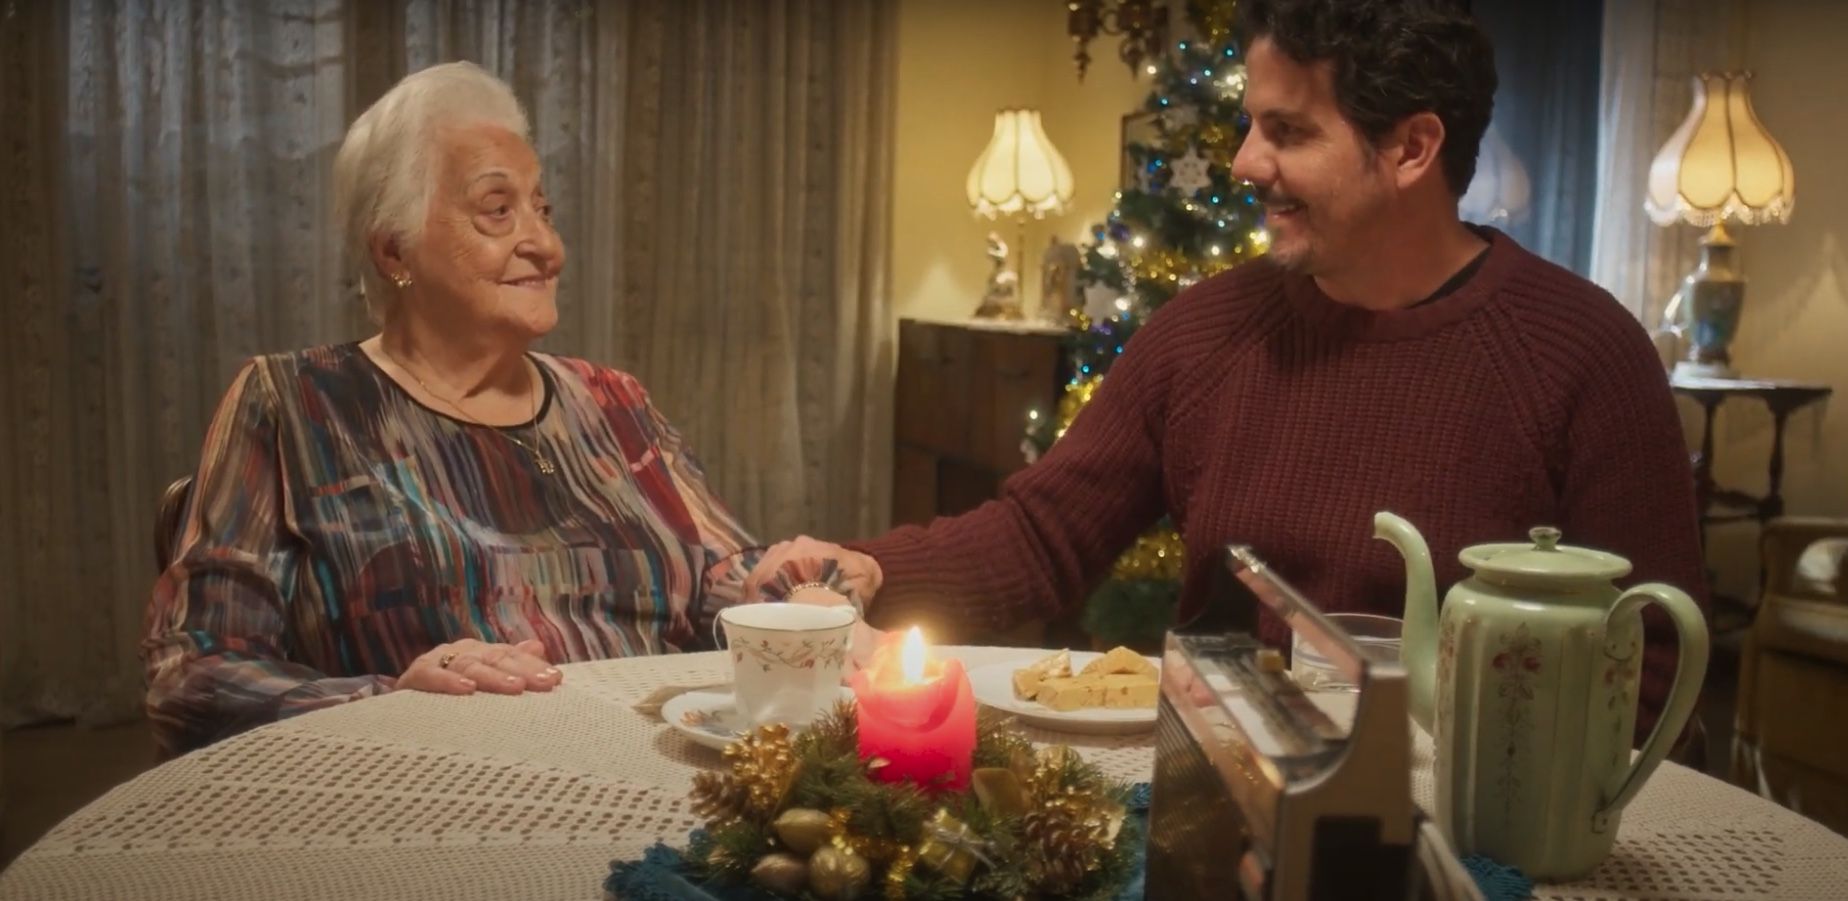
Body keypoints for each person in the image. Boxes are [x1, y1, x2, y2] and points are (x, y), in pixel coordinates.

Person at [760, 0, 1707, 737]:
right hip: (1215, 798)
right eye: (1251, 124)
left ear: (1413, 147)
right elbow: (1043, 534)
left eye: (1288, 132)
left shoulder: (1582, 352)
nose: (1246, 161)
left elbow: (1649, 667)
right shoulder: (1206, 333)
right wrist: (873, 565)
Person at [142, 62, 864, 758]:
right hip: (434, 790)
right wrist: (391, 699)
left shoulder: (613, 401)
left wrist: (799, 587)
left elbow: (720, 577)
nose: (546, 245)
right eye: (498, 209)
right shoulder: (295, 404)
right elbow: (197, 673)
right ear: (395, 247)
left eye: (542, 209)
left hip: (665, 768)